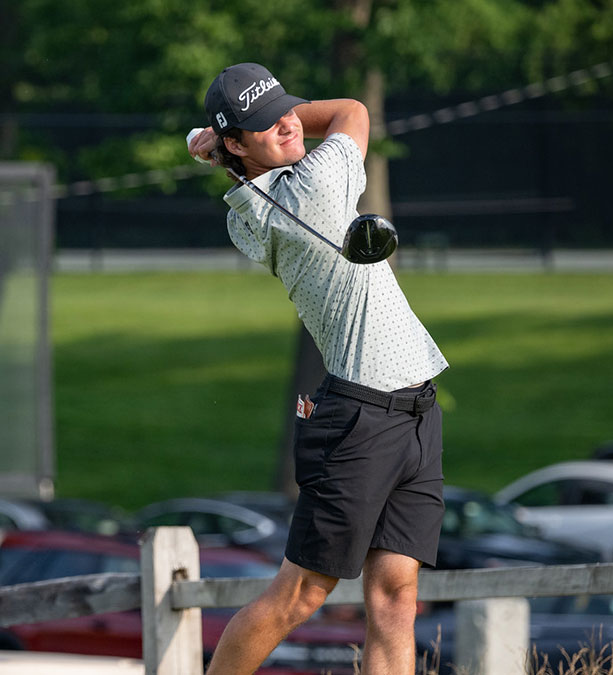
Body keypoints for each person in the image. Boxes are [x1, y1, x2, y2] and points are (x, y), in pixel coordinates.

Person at [186, 63, 449, 674]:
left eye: (285, 108)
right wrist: (252, 127)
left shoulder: (245, 210)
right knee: (299, 596)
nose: (285, 122)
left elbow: (259, 159)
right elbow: (352, 111)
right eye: (266, 122)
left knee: (395, 597)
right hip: (360, 417)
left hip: (412, 409)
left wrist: (231, 137)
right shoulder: (314, 184)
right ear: (235, 143)